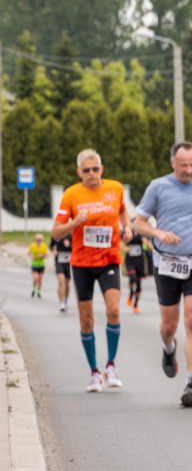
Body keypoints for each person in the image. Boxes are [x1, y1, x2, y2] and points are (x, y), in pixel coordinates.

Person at [132, 141, 192, 407]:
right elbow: (138, 223)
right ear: (173, 163)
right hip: (167, 262)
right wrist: (158, 232)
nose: (189, 170)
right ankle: (168, 348)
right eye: (183, 165)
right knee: (169, 326)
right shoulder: (158, 187)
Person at [51, 149, 133, 392]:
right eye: (86, 170)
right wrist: (75, 223)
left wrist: (126, 227)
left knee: (114, 310)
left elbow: (122, 209)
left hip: (109, 259)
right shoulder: (71, 194)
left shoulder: (115, 188)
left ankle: (110, 366)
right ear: (79, 172)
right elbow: (56, 232)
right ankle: (94, 372)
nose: (91, 174)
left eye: (95, 169)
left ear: (101, 169)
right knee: (86, 320)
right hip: (82, 263)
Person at [122, 231, 151, 314]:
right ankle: (131, 293)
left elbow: (150, 248)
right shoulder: (127, 231)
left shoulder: (143, 234)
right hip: (130, 261)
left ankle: (136, 304)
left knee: (138, 286)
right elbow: (118, 241)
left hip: (140, 262)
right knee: (132, 277)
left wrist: (146, 242)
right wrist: (124, 248)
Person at [50, 233, 72, 311]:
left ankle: (65, 300)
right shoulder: (56, 234)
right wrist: (53, 251)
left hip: (69, 262)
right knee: (61, 281)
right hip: (59, 261)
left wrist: (69, 246)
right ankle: (61, 302)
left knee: (67, 282)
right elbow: (51, 245)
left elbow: (75, 248)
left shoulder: (70, 235)